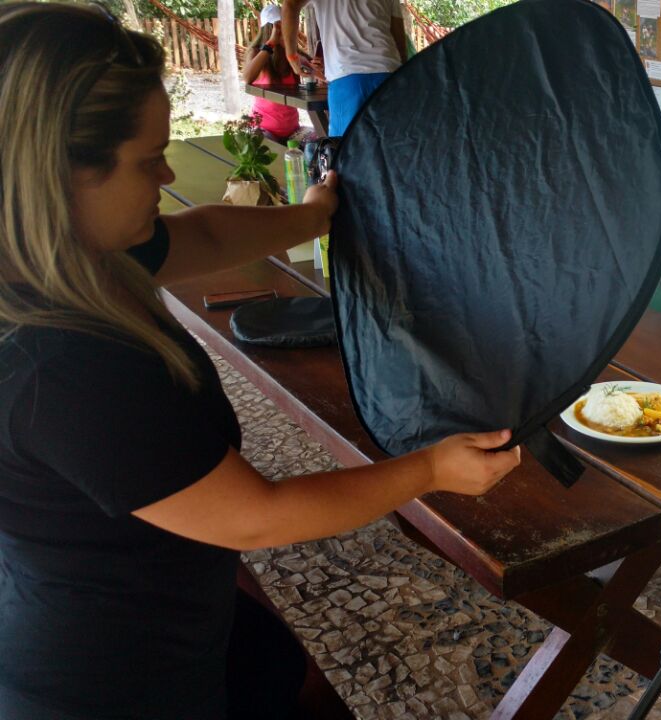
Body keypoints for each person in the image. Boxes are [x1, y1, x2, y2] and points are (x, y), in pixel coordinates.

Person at [0, 5, 519, 718]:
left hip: (162, 608)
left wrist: (312, 215)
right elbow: (258, 517)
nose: (170, 170)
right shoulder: (59, 366)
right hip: (112, 677)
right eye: (149, 160)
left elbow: (201, 233)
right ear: (60, 173)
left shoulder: (68, 254)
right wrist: (429, 470)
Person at [280, 0, 407, 137]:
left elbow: (291, 5)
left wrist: (292, 55)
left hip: (347, 75)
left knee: (346, 151)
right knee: (392, 148)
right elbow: (398, 36)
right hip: (390, 73)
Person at [241, 4, 301, 142]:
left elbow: (310, 72)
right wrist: (271, 44)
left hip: (292, 131)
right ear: (268, 30)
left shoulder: (291, 54)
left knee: (318, 146)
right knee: (269, 150)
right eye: (277, 28)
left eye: (284, 27)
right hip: (263, 130)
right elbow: (247, 77)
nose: (282, 32)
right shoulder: (256, 52)